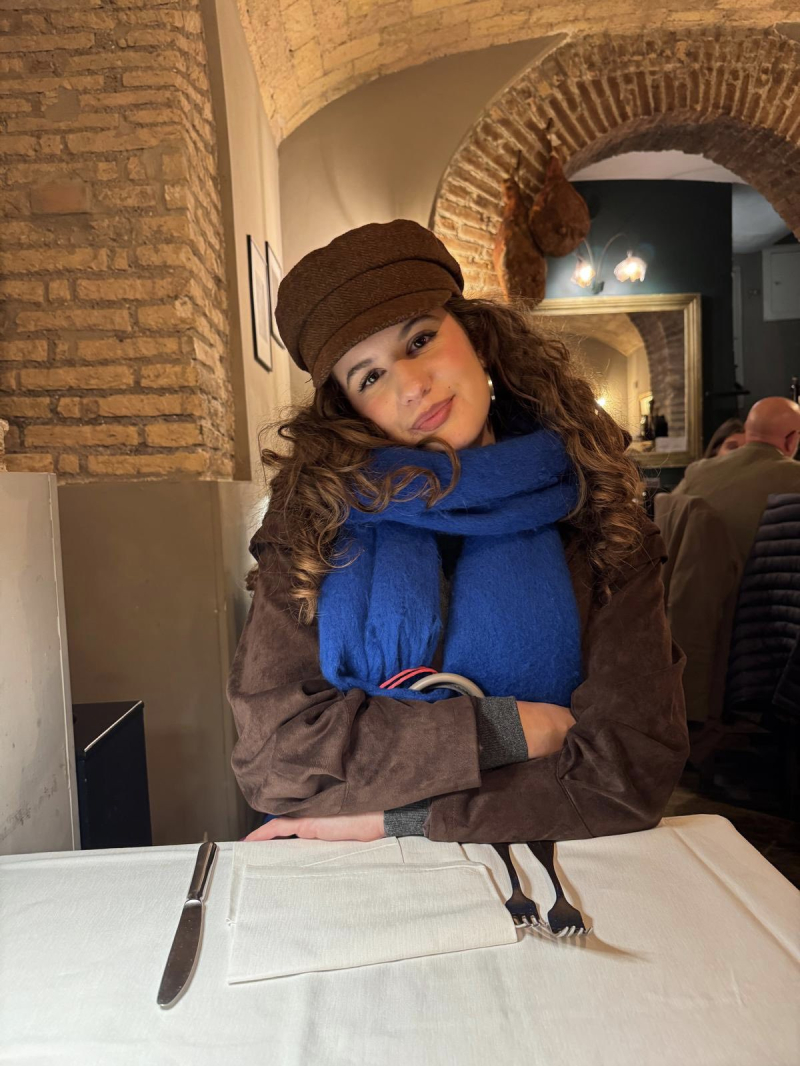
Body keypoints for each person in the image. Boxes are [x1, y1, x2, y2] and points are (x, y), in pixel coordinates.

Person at [227, 220, 688, 845]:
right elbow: (275, 760)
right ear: (349, 410)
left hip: (554, 872)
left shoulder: (598, 512)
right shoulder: (312, 525)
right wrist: (514, 731)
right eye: (369, 377)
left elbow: (628, 770)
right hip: (356, 886)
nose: (412, 386)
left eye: (420, 340)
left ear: (477, 338)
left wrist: (391, 817)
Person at [672, 397, 800, 564]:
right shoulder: (794, 476)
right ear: (791, 440)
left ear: (747, 430)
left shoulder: (697, 471)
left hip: (688, 577)